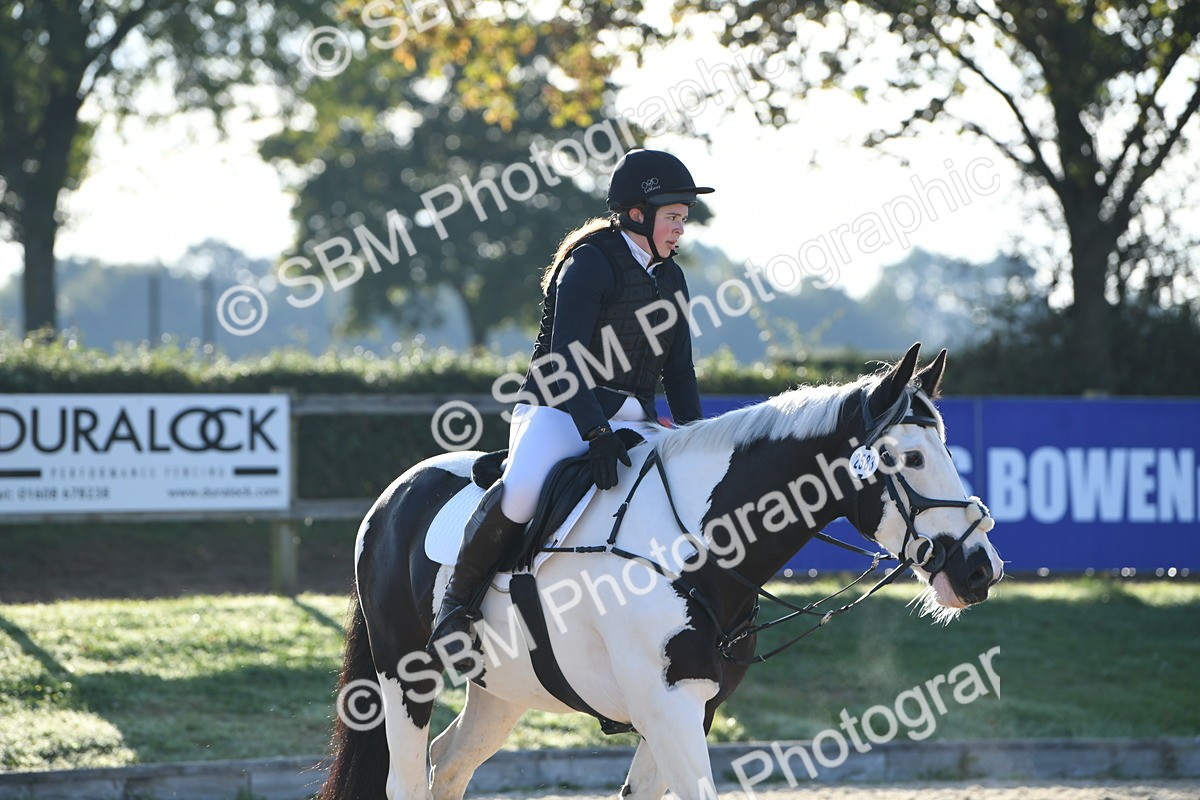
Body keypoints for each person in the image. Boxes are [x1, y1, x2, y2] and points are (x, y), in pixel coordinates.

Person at [427, 149, 712, 667]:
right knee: (521, 493)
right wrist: (596, 433)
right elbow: (563, 362)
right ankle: (457, 607)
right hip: (558, 408)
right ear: (637, 214)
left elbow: (680, 372)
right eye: (673, 218)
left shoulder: (671, 278)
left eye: (683, 220)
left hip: (635, 415)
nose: (680, 230)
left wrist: (700, 440)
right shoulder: (589, 263)